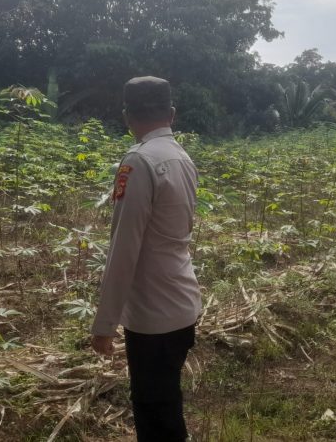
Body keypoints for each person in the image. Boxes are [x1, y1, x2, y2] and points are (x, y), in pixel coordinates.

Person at [90, 76, 202, 442]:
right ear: (172, 113)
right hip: (182, 303)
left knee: (155, 414)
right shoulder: (181, 157)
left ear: (127, 116)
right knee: (165, 404)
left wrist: (104, 323)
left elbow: (124, 249)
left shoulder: (139, 161)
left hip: (153, 315)